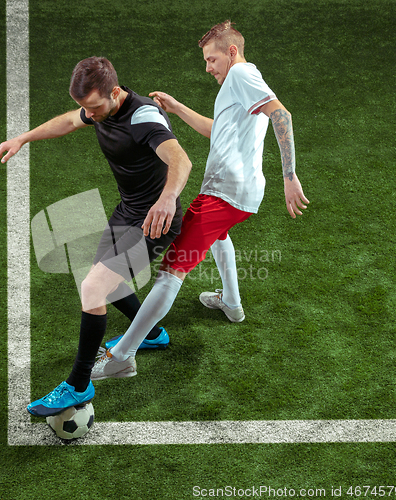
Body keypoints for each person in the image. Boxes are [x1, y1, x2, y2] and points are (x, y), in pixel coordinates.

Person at [91, 20, 309, 381]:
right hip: (237, 194)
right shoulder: (239, 86)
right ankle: (233, 304)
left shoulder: (241, 75)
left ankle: (122, 356)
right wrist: (177, 108)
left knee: (171, 270)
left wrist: (290, 176)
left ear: (232, 52)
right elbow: (217, 130)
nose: (208, 67)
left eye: (211, 59)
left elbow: (281, 115)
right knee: (220, 236)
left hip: (226, 192)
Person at [0, 57, 192, 416]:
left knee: (92, 288)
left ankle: (79, 385)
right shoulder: (99, 109)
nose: (89, 114)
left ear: (114, 92)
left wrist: (166, 200)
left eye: (94, 107)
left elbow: (182, 160)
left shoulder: (143, 117)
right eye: (85, 107)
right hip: (127, 211)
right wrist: (22, 138)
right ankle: (150, 333)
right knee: (100, 281)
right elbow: (68, 122)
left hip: (154, 222)